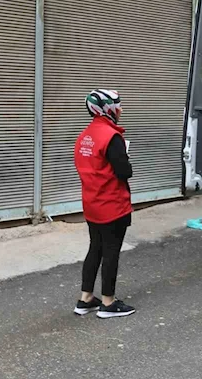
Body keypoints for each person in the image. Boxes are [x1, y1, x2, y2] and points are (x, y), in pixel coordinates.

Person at [73, 89, 136, 318]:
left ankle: (86, 299)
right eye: (118, 105)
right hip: (112, 205)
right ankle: (108, 303)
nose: (121, 109)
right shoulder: (111, 137)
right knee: (111, 252)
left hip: (92, 203)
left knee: (95, 248)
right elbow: (124, 172)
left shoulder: (84, 136)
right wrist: (126, 159)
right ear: (108, 108)